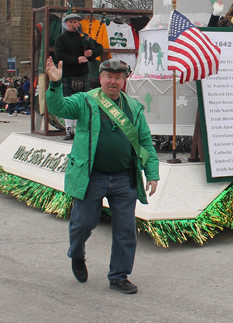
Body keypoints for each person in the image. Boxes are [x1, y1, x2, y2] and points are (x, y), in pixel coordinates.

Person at [45, 57, 159, 294]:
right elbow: (59, 108)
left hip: (124, 178)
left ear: (124, 79)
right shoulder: (85, 101)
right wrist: (55, 84)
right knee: (83, 224)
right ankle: (77, 253)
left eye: (118, 77)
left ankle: (119, 276)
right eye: (109, 76)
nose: (113, 82)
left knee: (126, 231)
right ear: (100, 78)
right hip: (91, 177)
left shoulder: (134, 108)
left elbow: (145, 142)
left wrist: (152, 173)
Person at [54, 13, 104, 140]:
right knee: (68, 104)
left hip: (82, 74)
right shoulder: (61, 38)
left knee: (82, 104)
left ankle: (78, 130)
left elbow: (100, 48)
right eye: (70, 22)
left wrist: (91, 52)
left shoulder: (84, 37)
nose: (73, 24)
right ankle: (69, 130)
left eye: (75, 22)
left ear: (78, 24)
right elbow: (59, 56)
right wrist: (76, 60)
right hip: (67, 75)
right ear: (66, 24)